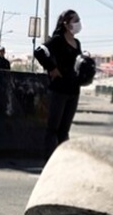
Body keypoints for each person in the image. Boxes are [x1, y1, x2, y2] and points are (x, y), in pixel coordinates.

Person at [35, 9, 84, 160]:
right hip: (59, 90)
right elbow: (39, 52)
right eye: (75, 21)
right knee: (53, 129)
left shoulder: (77, 43)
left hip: (73, 91)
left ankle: (64, 163)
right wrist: (52, 68)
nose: (78, 24)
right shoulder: (57, 40)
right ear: (66, 24)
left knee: (64, 131)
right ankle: (48, 162)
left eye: (78, 20)